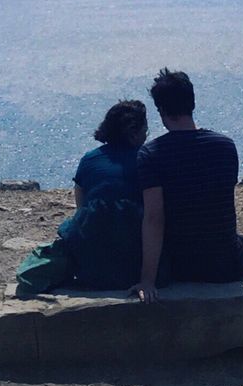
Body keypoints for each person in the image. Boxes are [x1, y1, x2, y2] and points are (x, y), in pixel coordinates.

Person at [130, 68, 243, 303]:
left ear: (161, 111)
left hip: (179, 266)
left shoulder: (151, 154)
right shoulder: (225, 146)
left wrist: (147, 279)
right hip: (225, 265)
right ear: (192, 103)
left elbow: (154, 218)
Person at [15, 98, 147, 293]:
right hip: (136, 263)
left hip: (91, 267)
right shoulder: (146, 159)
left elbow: (81, 209)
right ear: (134, 133)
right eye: (145, 129)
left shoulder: (89, 160)